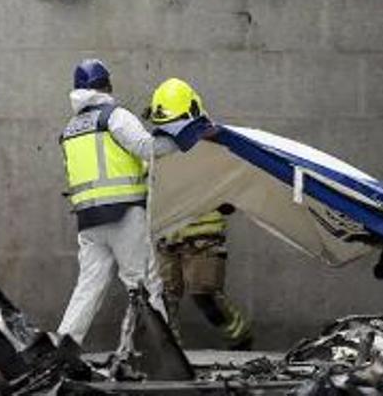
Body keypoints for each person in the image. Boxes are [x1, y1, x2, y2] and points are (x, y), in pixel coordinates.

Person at [56, 60, 189, 350]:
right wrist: (183, 140)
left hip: (89, 220)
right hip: (124, 213)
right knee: (143, 285)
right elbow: (146, 148)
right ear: (107, 85)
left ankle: (63, 349)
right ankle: (158, 353)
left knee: (88, 287)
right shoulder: (114, 116)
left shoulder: (70, 129)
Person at [149, 79, 252, 350]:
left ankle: (240, 340)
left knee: (205, 294)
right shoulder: (155, 148)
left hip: (204, 236)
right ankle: (171, 355)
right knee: (165, 298)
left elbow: (230, 189)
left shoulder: (214, 142)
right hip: (167, 234)